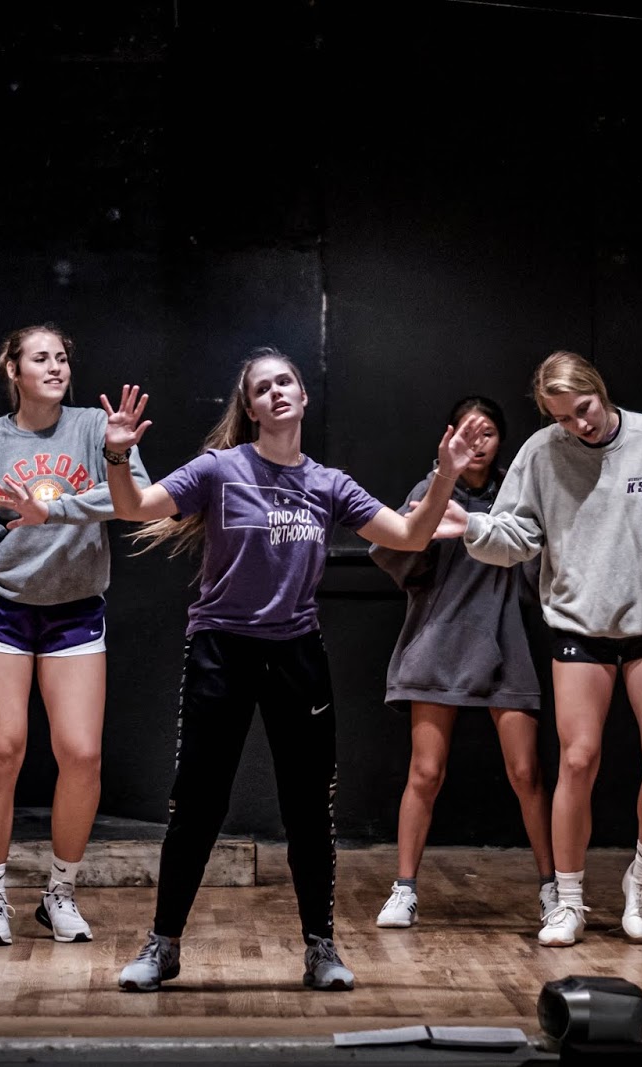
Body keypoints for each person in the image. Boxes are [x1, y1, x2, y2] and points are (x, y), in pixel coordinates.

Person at [98, 346, 490, 993]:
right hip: (221, 649)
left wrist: (445, 474)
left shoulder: (328, 484)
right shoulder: (219, 469)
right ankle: (163, 945)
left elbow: (411, 536)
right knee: (197, 803)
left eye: (286, 382)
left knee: (308, 809)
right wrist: (117, 455)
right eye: (263, 387)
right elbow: (135, 506)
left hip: (296, 653)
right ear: (251, 408)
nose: (277, 391)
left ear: (303, 398)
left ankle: (320, 948)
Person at [438, 350, 642, 947]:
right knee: (578, 760)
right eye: (562, 418)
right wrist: (472, 527)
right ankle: (567, 899)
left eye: (583, 409)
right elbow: (515, 536)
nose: (578, 425)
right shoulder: (541, 453)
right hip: (579, 625)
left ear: (599, 390)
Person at [0, 323, 149, 947]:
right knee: (2, 751)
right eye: (40, 358)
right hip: (3, 607)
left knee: (82, 754)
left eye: (62, 357)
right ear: (12, 370)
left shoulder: (96, 428)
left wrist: (113, 458)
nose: (55, 366)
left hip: (74, 608)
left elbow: (133, 503)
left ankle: (60, 893)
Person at [369, 395, 556, 929]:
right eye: (467, 433)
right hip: (439, 640)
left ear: (502, 442)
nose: (477, 443)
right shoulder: (431, 490)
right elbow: (402, 560)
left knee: (526, 772)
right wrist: (436, 499)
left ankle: (554, 888)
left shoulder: (515, 497)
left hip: (503, 639)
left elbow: (536, 567)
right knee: (425, 771)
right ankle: (404, 889)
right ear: (449, 436)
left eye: (487, 433)